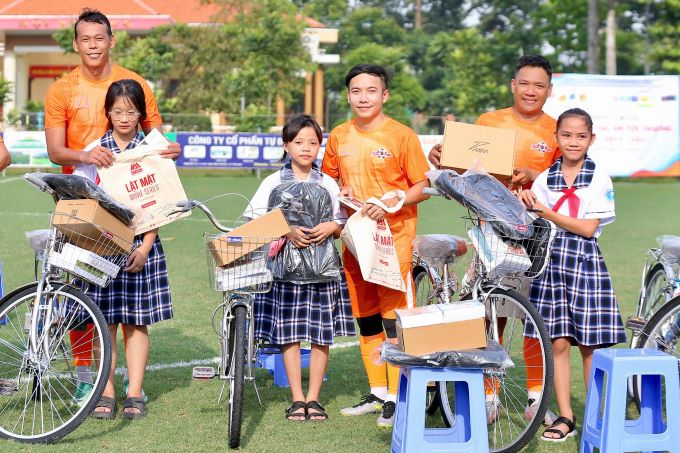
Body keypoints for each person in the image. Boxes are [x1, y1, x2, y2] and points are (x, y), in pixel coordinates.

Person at [44, 8, 179, 406]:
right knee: (85, 300)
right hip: (82, 201)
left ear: (111, 39)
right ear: (76, 43)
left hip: (137, 208)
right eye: (85, 39)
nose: (92, 45)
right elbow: (55, 152)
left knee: (131, 310)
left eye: (99, 38)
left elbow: (157, 141)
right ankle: (92, 381)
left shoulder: (135, 83)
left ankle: (132, 389)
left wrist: (171, 148)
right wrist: (92, 156)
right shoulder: (61, 89)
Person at [430, 55, 560, 425]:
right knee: (490, 311)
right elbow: (463, 167)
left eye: (539, 85)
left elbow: (567, 177)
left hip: (534, 233)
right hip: (491, 228)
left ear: (550, 90)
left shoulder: (556, 130)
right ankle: (489, 396)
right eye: (525, 83)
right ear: (513, 85)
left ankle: (537, 396)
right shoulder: (489, 123)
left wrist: (535, 175)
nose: (531, 91)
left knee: (533, 315)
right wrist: (440, 156)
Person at [321, 64, 430, 428]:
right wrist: (342, 192)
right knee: (365, 318)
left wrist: (392, 199)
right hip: (355, 240)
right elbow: (329, 180)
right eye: (356, 91)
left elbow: (422, 186)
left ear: (385, 95)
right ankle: (378, 392)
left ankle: (400, 396)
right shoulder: (339, 135)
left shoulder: (402, 136)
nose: (363, 97)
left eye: (371, 90)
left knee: (395, 320)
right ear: (348, 95)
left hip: (393, 241)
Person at [517, 108, 626, 441]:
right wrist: (526, 206)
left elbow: (588, 229)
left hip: (584, 264)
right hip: (551, 265)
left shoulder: (598, 178)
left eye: (581, 136)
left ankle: (595, 415)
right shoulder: (543, 179)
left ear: (591, 139)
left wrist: (545, 211)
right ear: (557, 137)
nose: (573, 142)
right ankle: (566, 416)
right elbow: (535, 225)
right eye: (566, 135)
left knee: (590, 345)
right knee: (558, 343)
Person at [73, 79, 174, 419]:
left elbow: (158, 203)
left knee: (136, 323)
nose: (125, 117)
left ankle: (134, 393)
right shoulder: (95, 151)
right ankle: (107, 391)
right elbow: (81, 197)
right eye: (118, 111)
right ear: (108, 113)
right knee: (105, 323)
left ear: (141, 114)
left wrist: (145, 247)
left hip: (142, 246)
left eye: (131, 111)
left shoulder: (151, 150)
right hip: (101, 247)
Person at [248, 114, 355, 421]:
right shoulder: (272, 182)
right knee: (290, 334)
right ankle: (297, 398)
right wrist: (286, 230)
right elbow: (255, 220)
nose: (306, 148)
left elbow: (343, 221)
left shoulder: (327, 182)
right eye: (299, 142)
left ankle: (315, 398)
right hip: (285, 272)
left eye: (313, 143)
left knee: (321, 335)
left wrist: (330, 227)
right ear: (287, 146)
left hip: (323, 271)